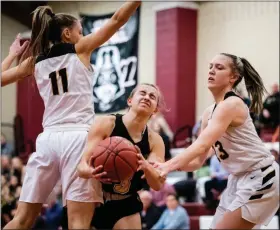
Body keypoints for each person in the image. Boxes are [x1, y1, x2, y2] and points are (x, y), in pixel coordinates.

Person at [2, 2, 141, 229]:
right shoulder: (81, 49)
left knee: (22, 219)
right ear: (67, 34)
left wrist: (11, 55)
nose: (82, 35)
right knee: (78, 221)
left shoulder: (34, 61)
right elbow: (117, 20)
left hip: (47, 139)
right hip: (78, 138)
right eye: (80, 31)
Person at [155, 53, 279, 229]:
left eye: (219, 68)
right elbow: (198, 161)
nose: (211, 71)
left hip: (261, 175)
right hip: (238, 179)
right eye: (210, 67)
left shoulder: (232, 104)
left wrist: (168, 165)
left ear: (233, 77)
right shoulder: (208, 113)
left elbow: (201, 145)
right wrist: (163, 167)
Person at [74, 83, 166, 229]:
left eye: (152, 96)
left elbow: (157, 184)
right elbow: (81, 168)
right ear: (130, 100)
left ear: (155, 110)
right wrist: (91, 172)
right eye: (142, 93)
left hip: (126, 202)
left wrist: (146, 166)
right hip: (94, 198)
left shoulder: (155, 140)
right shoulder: (106, 123)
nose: (147, 97)